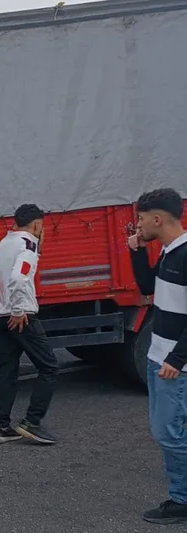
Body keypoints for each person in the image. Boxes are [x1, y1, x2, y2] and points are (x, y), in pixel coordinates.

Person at [128, 188, 187, 525]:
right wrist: (136, 251)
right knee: (170, 429)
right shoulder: (168, 251)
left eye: (140, 219)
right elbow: (149, 288)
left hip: (174, 365)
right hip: (158, 356)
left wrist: (176, 360)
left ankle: (182, 500)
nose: (137, 225)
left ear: (157, 219)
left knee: (167, 432)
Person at [0, 204, 58, 446]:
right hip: (21, 316)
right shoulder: (28, 245)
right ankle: (32, 422)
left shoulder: (5, 242)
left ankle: (1, 427)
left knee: (8, 371)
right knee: (49, 367)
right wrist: (19, 310)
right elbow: (19, 278)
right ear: (37, 224)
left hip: (0, 314)